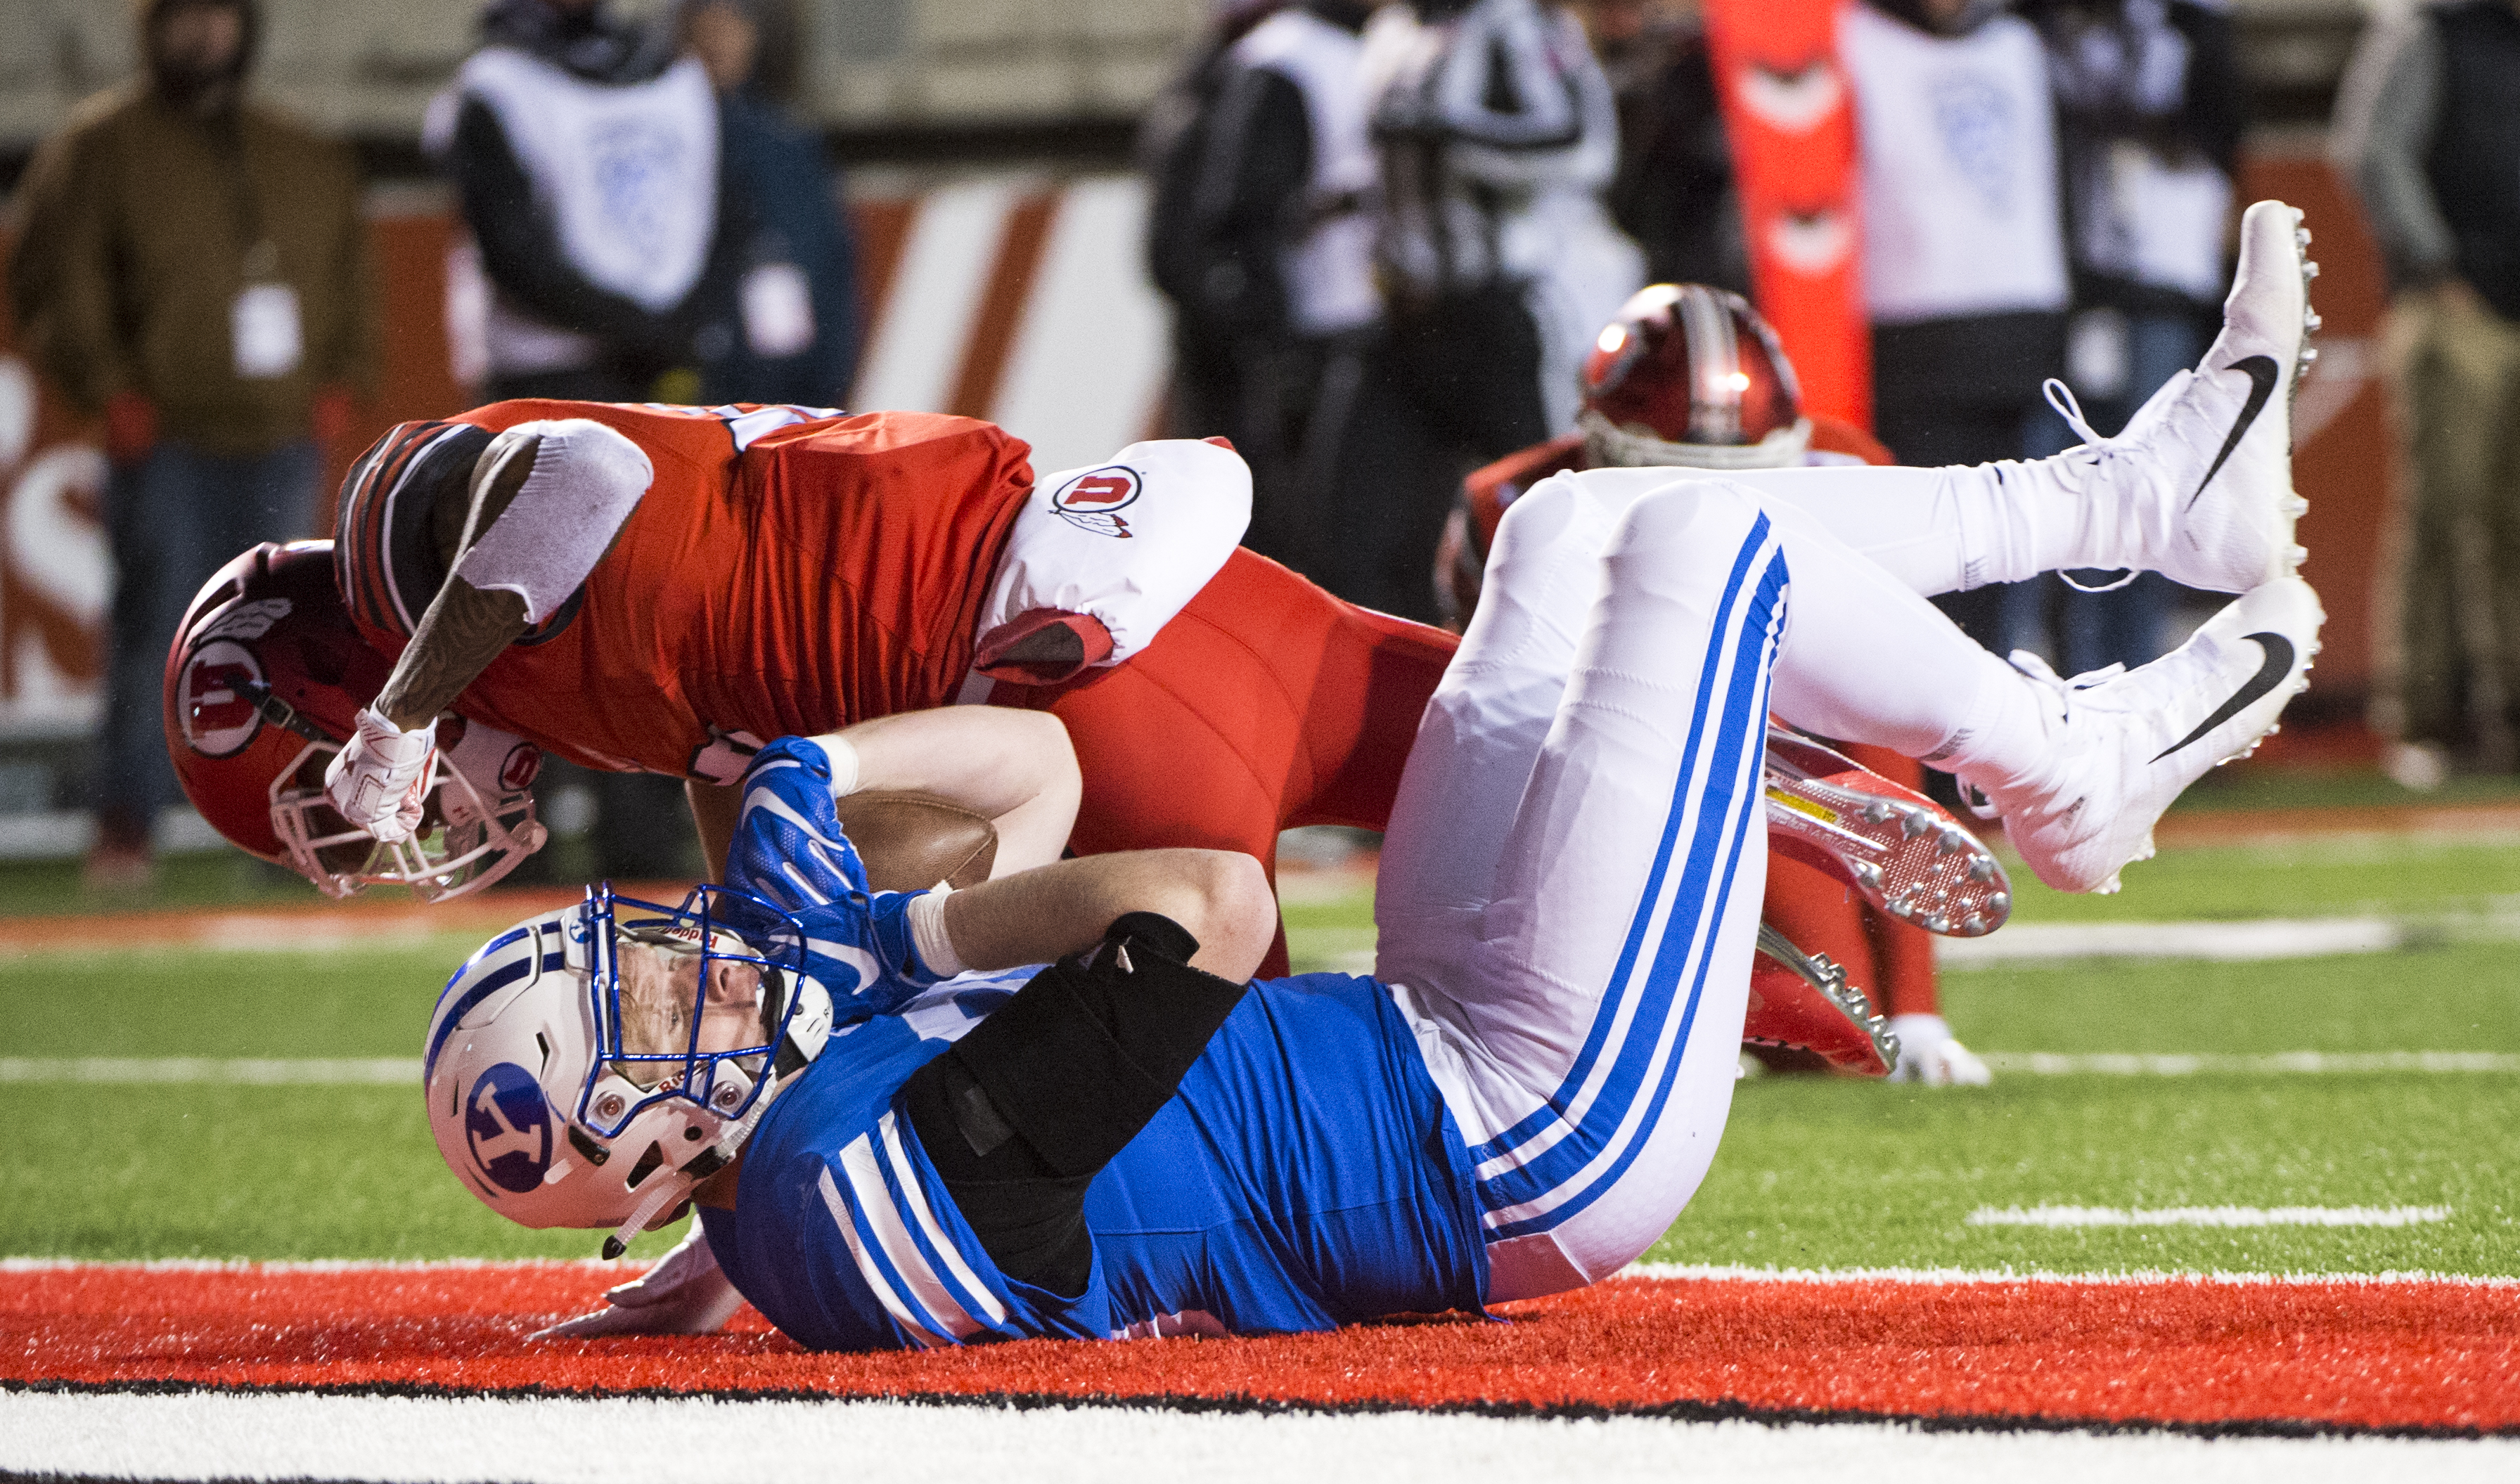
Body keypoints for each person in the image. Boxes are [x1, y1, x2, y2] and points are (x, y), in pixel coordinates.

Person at [430, 209, 2320, 1344]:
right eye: (652, 1006)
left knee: (1583, 525)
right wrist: (891, 913)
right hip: (1517, 1140)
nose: (687, 959)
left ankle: (2127, 529)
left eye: (642, 949)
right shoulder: (840, 1191)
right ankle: (2087, 687)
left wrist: (826, 776)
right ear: (643, 1150)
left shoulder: (799, 1124)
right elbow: (1210, 903)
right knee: (1708, 558)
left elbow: (1019, 765)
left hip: (1429, 1028)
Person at [1437, 282, 1979, 1084]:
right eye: (1668, 480)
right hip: (1599, 782)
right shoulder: (1513, 508)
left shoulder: (1848, 472)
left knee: (1842, 1030)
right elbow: (1496, 751)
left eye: (1745, 481)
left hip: (1779, 776)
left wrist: (1913, 1003)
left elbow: (1880, 734)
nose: (1707, 512)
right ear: (1597, 444)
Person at [7, 0, 375, 890]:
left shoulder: (302, 150)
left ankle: (290, 833)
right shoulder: (102, 145)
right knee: (157, 632)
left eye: (219, 18)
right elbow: (52, 275)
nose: (204, 35)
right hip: (164, 432)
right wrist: (108, 389)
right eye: (186, 18)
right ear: (152, 28)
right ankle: (127, 824)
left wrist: (343, 380)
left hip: (280, 432)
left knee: (295, 640)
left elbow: (353, 276)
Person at [430, 0, 750, 877]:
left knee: (650, 611)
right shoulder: (496, 86)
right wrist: (653, 327)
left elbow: (724, 211)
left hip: (644, 379)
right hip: (551, 382)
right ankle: (510, 834)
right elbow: (511, 248)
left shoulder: (677, 77)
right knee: (520, 614)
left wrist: (671, 330)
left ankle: (640, 837)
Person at [1356, 0, 1632, 619]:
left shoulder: (1518, 24)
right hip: (1405, 314)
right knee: (1367, 529)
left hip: (1504, 309)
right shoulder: (1392, 31)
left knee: (1548, 510)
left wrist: (1448, 131)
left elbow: (1583, 144)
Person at [2015, 0, 2245, 678]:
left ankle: (2133, 678)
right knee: (2052, 499)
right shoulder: (2037, 27)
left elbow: (2221, 126)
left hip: (2158, 289)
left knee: (2150, 497)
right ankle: (2043, 677)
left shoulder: (2191, 29)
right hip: (2056, 294)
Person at [1840, 0, 2073, 667]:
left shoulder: (2022, 44)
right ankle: (1919, 757)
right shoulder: (1855, 40)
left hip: (2017, 332)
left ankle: (1966, 757)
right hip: (1908, 336)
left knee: (2001, 572)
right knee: (1918, 572)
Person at [2334, 0, 2520, 783]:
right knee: (2442, 513)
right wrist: (2434, 263)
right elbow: (2373, 150)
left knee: (2512, 523)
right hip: (2456, 306)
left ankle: (2505, 715)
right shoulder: (2431, 29)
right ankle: (2420, 718)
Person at [1174, 0, 1388, 598]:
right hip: (1318, 334)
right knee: (1320, 544)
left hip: (1376, 328)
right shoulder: (1286, 59)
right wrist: (1274, 344)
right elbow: (1242, 220)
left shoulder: (1376, 42)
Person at [677, 0, 862, 408]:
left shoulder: (788, 145)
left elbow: (830, 258)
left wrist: (835, 367)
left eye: (731, 30)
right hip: (704, 368)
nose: (718, 45)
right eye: (706, 32)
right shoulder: (670, 142)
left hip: (791, 366)